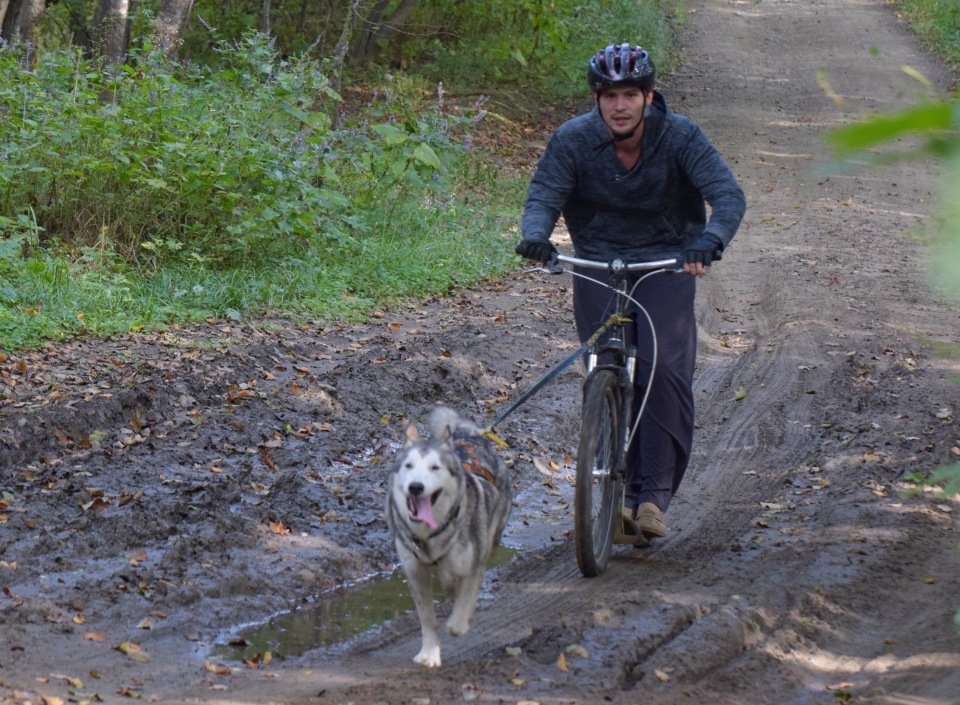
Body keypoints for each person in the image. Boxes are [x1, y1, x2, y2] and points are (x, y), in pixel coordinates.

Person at [516, 43, 745, 541]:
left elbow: (726, 195)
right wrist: (536, 235)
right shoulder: (573, 140)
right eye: (609, 95)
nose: (619, 106)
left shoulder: (681, 136)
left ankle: (651, 497)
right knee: (605, 365)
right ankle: (607, 489)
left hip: (666, 261)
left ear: (648, 96)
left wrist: (709, 239)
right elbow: (543, 195)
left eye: (629, 95)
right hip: (598, 259)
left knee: (662, 369)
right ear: (597, 100)